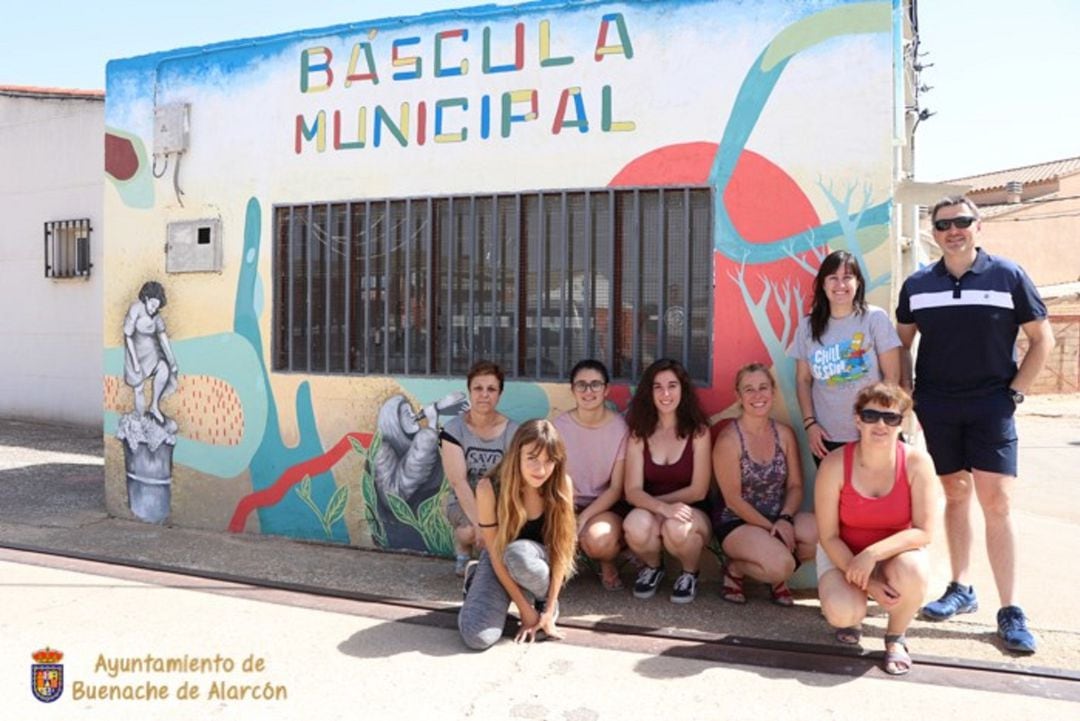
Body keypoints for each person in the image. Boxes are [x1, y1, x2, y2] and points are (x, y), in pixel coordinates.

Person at [896, 195, 1055, 655]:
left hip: (991, 405)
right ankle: (961, 588)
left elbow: (1040, 339)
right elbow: (902, 344)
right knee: (955, 495)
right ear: (934, 231)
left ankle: (1010, 609)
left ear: (977, 225)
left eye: (962, 221)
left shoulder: (1008, 275)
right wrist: (909, 397)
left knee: (997, 503)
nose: (953, 230)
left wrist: (1015, 392)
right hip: (938, 406)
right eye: (944, 224)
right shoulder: (919, 283)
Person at [815, 384, 936, 676]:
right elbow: (828, 535)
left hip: (893, 556)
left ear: (901, 423)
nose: (880, 424)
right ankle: (853, 619)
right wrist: (867, 581)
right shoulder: (834, 464)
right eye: (871, 416)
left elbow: (924, 531)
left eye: (890, 418)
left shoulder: (917, 462)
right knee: (843, 611)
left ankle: (896, 636)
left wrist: (872, 554)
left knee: (914, 571)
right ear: (858, 420)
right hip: (843, 554)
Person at [458, 419, 577, 650]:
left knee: (519, 555)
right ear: (517, 454)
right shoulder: (489, 487)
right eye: (532, 458)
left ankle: (541, 600)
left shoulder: (562, 484)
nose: (540, 469)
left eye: (549, 460)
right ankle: (475, 578)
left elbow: (562, 551)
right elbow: (494, 551)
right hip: (498, 558)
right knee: (477, 637)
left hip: (538, 563)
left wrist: (547, 609)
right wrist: (525, 611)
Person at [711, 363, 816, 606]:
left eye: (763, 387)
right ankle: (737, 569)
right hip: (737, 521)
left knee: (820, 537)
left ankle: (776, 566)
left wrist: (785, 519)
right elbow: (733, 501)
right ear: (738, 396)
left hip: (778, 517)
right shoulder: (729, 440)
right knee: (781, 566)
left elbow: (795, 486)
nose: (757, 396)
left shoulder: (785, 434)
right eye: (749, 390)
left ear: (773, 391)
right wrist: (773, 527)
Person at [788, 250, 901, 463]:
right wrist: (810, 424)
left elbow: (891, 377)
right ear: (823, 284)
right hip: (827, 437)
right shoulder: (807, 327)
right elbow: (803, 380)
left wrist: (878, 423)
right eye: (833, 278)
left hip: (872, 432)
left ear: (858, 282)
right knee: (833, 496)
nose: (840, 285)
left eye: (847, 277)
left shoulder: (874, 319)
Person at [622, 358, 713, 603]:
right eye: (657, 386)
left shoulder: (699, 431)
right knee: (635, 525)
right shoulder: (639, 432)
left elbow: (698, 491)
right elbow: (632, 490)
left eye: (672, 385)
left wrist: (662, 508)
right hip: (651, 509)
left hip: (692, 510)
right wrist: (661, 508)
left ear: (683, 390)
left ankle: (689, 572)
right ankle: (653, 567)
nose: (665, 393)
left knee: (676, 526)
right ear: (648, 392)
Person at [554, 359, 630, 591]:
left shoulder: (620, 428)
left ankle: (606, 562)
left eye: (595, 384)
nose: (589, 391)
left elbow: (616, 488)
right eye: (582, 385)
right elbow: (551, 477)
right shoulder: (558, 426)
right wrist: (567, 514)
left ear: (606, 390)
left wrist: (584, 517)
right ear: (572, 389)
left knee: (598, 540)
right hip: (564, 501)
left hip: (603, 505)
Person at [440, 361, 519, 575]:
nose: (484, 394)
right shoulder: (453, 429)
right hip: (463, 499)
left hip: (498, 499)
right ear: (470, 391)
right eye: (478, 388)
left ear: (499, 394)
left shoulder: (512, 431)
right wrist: (481, 526)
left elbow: (514, 480)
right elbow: (458, 482)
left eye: (491, 389)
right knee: (468, 532)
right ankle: (463, 549)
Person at [123, 280, 179, 425]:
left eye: (157, 307)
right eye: (153, 305)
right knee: (139, 388)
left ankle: (154, 406)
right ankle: (140, 420)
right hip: (135, 354)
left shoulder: (156, 316)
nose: (154, 309)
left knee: (164, 369)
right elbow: (128, 336)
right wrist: (135, 362)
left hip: (152, 353)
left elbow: (162, 336)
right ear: (147, 298)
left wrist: (172, 360)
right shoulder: (136, 309)